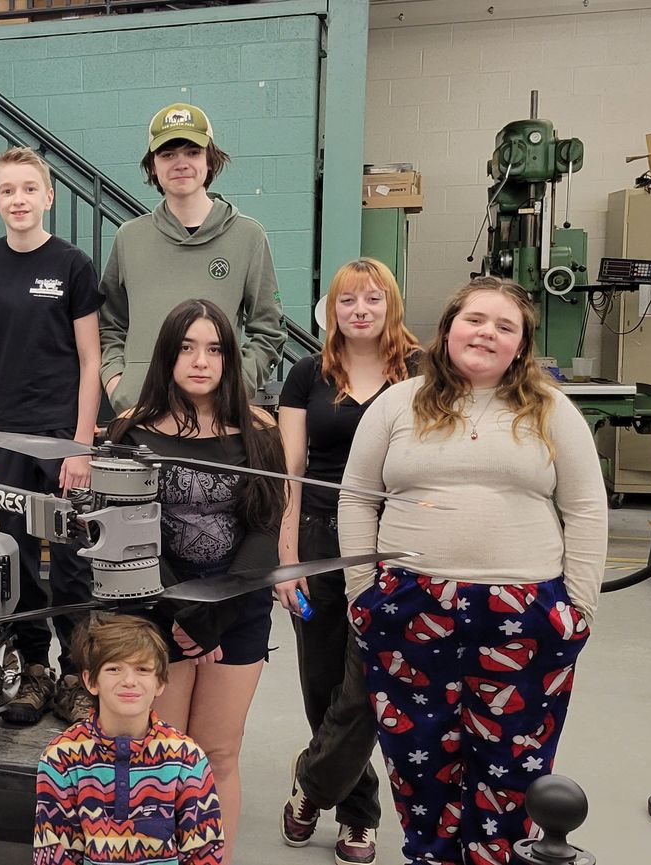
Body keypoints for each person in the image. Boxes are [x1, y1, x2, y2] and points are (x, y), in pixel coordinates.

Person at [338, 276, 607, 865]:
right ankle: (430, 857)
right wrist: (363, 593)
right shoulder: (397, 404)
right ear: (448, 328)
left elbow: (586, 508)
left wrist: (579, 611)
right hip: (411, 606)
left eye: (505, 326)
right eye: (475, 319)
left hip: (524, 613)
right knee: (420, 760)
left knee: (510, 766)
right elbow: (357, 498)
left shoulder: (553, 411)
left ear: (520, 346)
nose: (487, 333)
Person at [105, 299, 285, 850]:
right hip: (158, 610)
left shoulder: (259, 432)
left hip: (237, 607)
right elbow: (130, 531)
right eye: (186, 348)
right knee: (160, 750)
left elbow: (264, 530)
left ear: (231, 358)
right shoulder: (130, 432)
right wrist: (181, 616)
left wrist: (215, 616)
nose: (200, 361)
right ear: (167, 356)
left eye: (213, 349)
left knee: (218, 751)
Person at [273, 258, 421, 865]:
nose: (360, 311)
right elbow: (290, 472)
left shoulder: (421, 374)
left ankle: (314, 785)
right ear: (330, 311)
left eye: (372, 299)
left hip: (395, 539)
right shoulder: (307, 374)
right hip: (316, 538)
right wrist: (286, 556)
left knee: (370, 682)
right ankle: (357, 812)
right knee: (322, 681)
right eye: (347, 301)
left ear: (391, 305)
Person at [0, 146, 104, 727]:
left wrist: (81, 444)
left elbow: (91, 360)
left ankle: (77, 675)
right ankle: (34, 672)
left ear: (48, 197)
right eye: (8, 190)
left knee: (69, 557)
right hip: (7, 435)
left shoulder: (72, 264)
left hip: (60, 433)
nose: (19, 199)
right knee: (16, 555)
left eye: (29, 189)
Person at [99, 103, 286, 414]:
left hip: (215, 417)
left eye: (192, 152)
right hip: (139, 413)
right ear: (153, 166)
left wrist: (237, 384)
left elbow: (268, 328)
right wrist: (117, 382)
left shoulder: (248, 236)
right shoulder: (130, 237)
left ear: (210, 161)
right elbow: (109, 322)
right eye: (167, 154)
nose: (180, 163)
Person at [32, 616, 223, 865]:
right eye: (114, 669)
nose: (129, 680)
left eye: (142, 669)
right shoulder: (61, 757)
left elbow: (204, 852)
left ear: (161, 683)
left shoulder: (186, 757)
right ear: (90, 681)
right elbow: (54, 853)